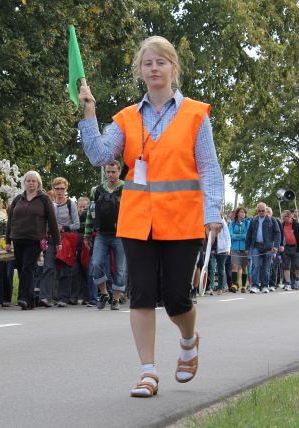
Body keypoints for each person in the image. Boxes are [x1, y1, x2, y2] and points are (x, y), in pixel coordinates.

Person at [78, 35, 224, 397]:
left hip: (183, 221)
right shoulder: (127, 118)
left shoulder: (195, 115)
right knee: (140, 294)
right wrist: (89, 112)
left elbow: (209, 169)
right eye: (148, 63)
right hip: (137, 221)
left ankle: (189, 340)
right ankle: (147, 371)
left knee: (177, 298)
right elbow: (99, 156)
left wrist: (213, 213)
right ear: (140, 71)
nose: (154, 68)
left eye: (161, 62)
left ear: (173, 67)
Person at [5, 171, 61, 310]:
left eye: (33, 181)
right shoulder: (18, 199)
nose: (31, 183)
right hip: (17, 238)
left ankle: (22, 297)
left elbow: (52, 221)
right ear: (24, 183)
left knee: (27, 268)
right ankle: (30, 301)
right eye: (28, 181)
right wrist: (7, 240)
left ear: (38, 183)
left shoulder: (44, 199)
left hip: (35, 239)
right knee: (23, 269)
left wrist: (57, 241)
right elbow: (10, 221)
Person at [83, 160, 126, 310]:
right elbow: (90, 212)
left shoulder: (126, 188)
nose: (110, 175)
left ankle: (115, 298)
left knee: (120, 269)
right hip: (101, 234)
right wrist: (87, 235)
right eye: (108, 172)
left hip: (121, 234)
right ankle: (104, 293)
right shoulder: (97, 190)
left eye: (113, 172)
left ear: (119, 172)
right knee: (95, 264)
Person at [38, 177, 79, 307]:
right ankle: (45, 297)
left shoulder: (70, 203)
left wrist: (63, 227)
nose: (60, 191)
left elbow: (77, 224)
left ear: (66, 189)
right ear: (53, 189)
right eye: (57, 189)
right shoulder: (48, 202)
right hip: (51, 238)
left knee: (65, 268)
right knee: (48, 266)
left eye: (62, 188)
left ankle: (63, 298)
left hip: (66, 238)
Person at [245, 202, 281, 293]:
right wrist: (247, 248)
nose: (261, 212)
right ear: (257, 210)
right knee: (255, 266)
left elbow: (277, 233)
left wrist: (276, 246)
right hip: (256, 246)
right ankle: (255, 286)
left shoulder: (272, 220)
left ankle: (265, 285)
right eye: (259, 211)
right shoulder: (253, 220)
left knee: (266, 268)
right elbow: (249, 234)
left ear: (266, 210)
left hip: (268, 247)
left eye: (263, 210)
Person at [280, 210, 299, 291]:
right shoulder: (282, 225)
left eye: (284, 217)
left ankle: (297, 280)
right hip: (286, 247)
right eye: (282, 217)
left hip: (296, 247)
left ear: (290, 217)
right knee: (286, 266)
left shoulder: (297, 224)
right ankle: (288, 283)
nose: (283, 218)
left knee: (297, 265)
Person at [229, 206, 250, 293]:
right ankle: (234, 284)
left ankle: (243, 286)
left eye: (244, 212)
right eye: (241, 212)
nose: (243, 213)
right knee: (234, 266)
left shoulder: (248, 223)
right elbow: (230, 236)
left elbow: (247, 236)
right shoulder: (232, 223)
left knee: (244, 267)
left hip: (244, 249)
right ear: (237, 213)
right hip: (234, 248)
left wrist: (236, 235)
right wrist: (242, 236)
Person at [209, 211, 231, 295]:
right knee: (212, 268)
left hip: (222, 249)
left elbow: (227, 236)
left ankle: (220, 288)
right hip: (212, 249)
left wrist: (228, 248)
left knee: (220, 268)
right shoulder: (210, 222)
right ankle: (210, 287)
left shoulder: (223, 223)